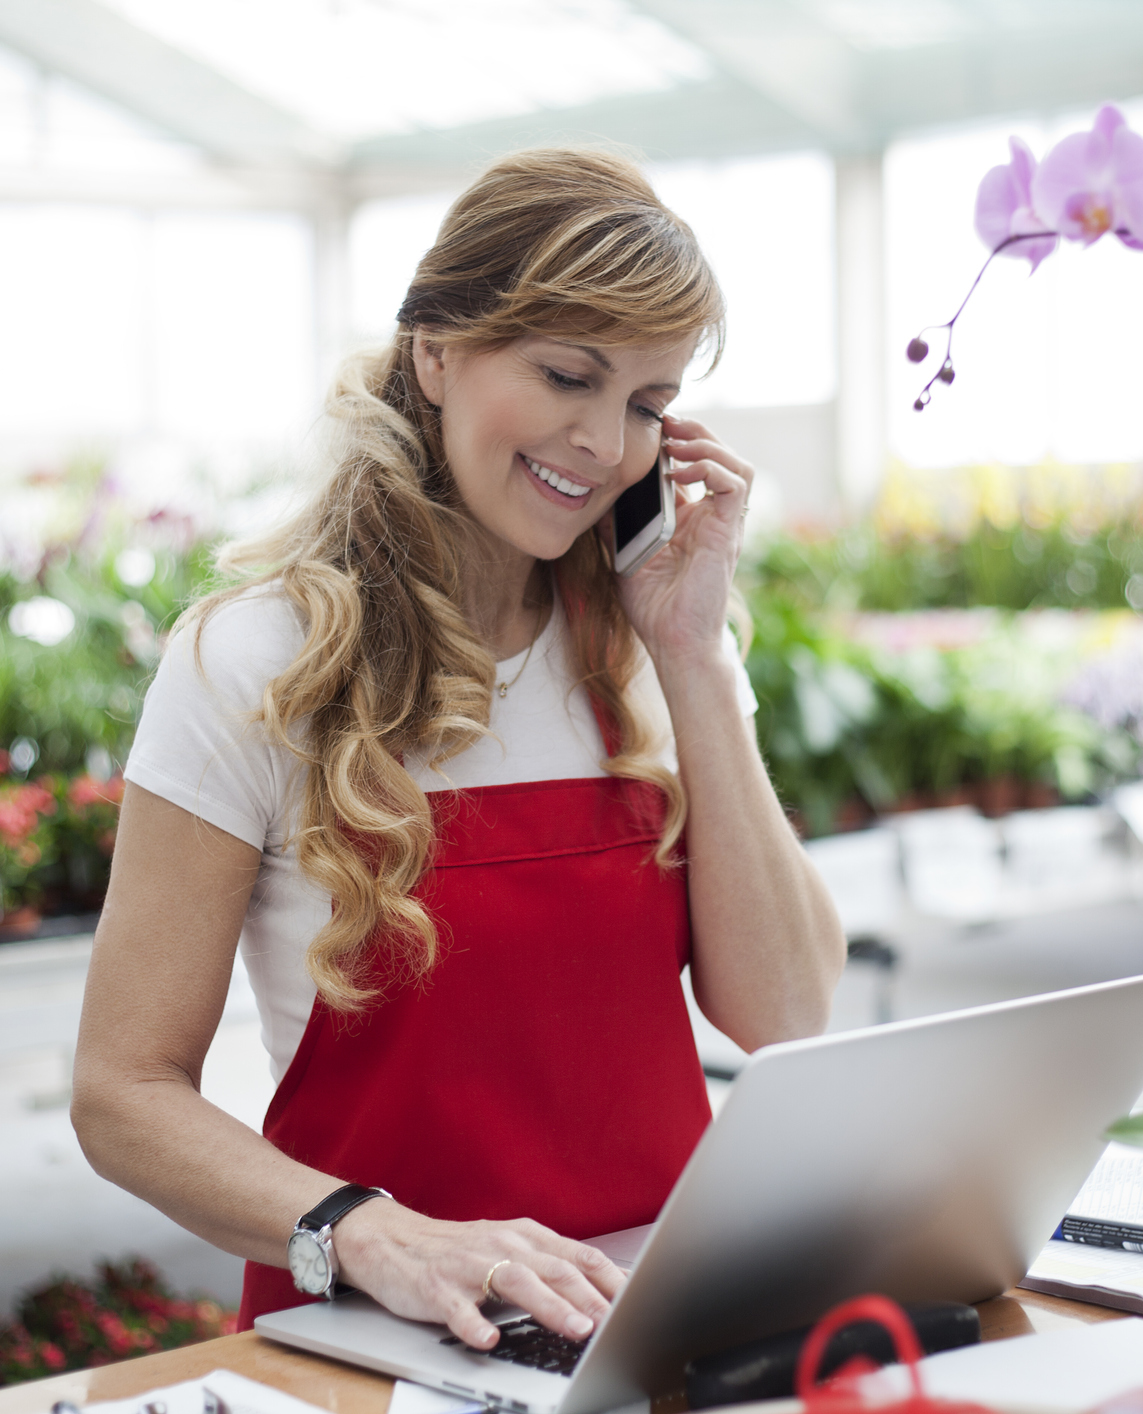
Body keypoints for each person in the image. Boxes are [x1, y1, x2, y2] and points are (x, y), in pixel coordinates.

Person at [71, 147, 844, 1357]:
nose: (603, 443)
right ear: (437, 350)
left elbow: (788, 1007)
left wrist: (694, 661)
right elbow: (121, 1093)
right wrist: (371, 1233)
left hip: (651, 1331)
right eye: (567, 375)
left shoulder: (659, 648)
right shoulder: (255, 659)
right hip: (389, 1343)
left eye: (647, 402)